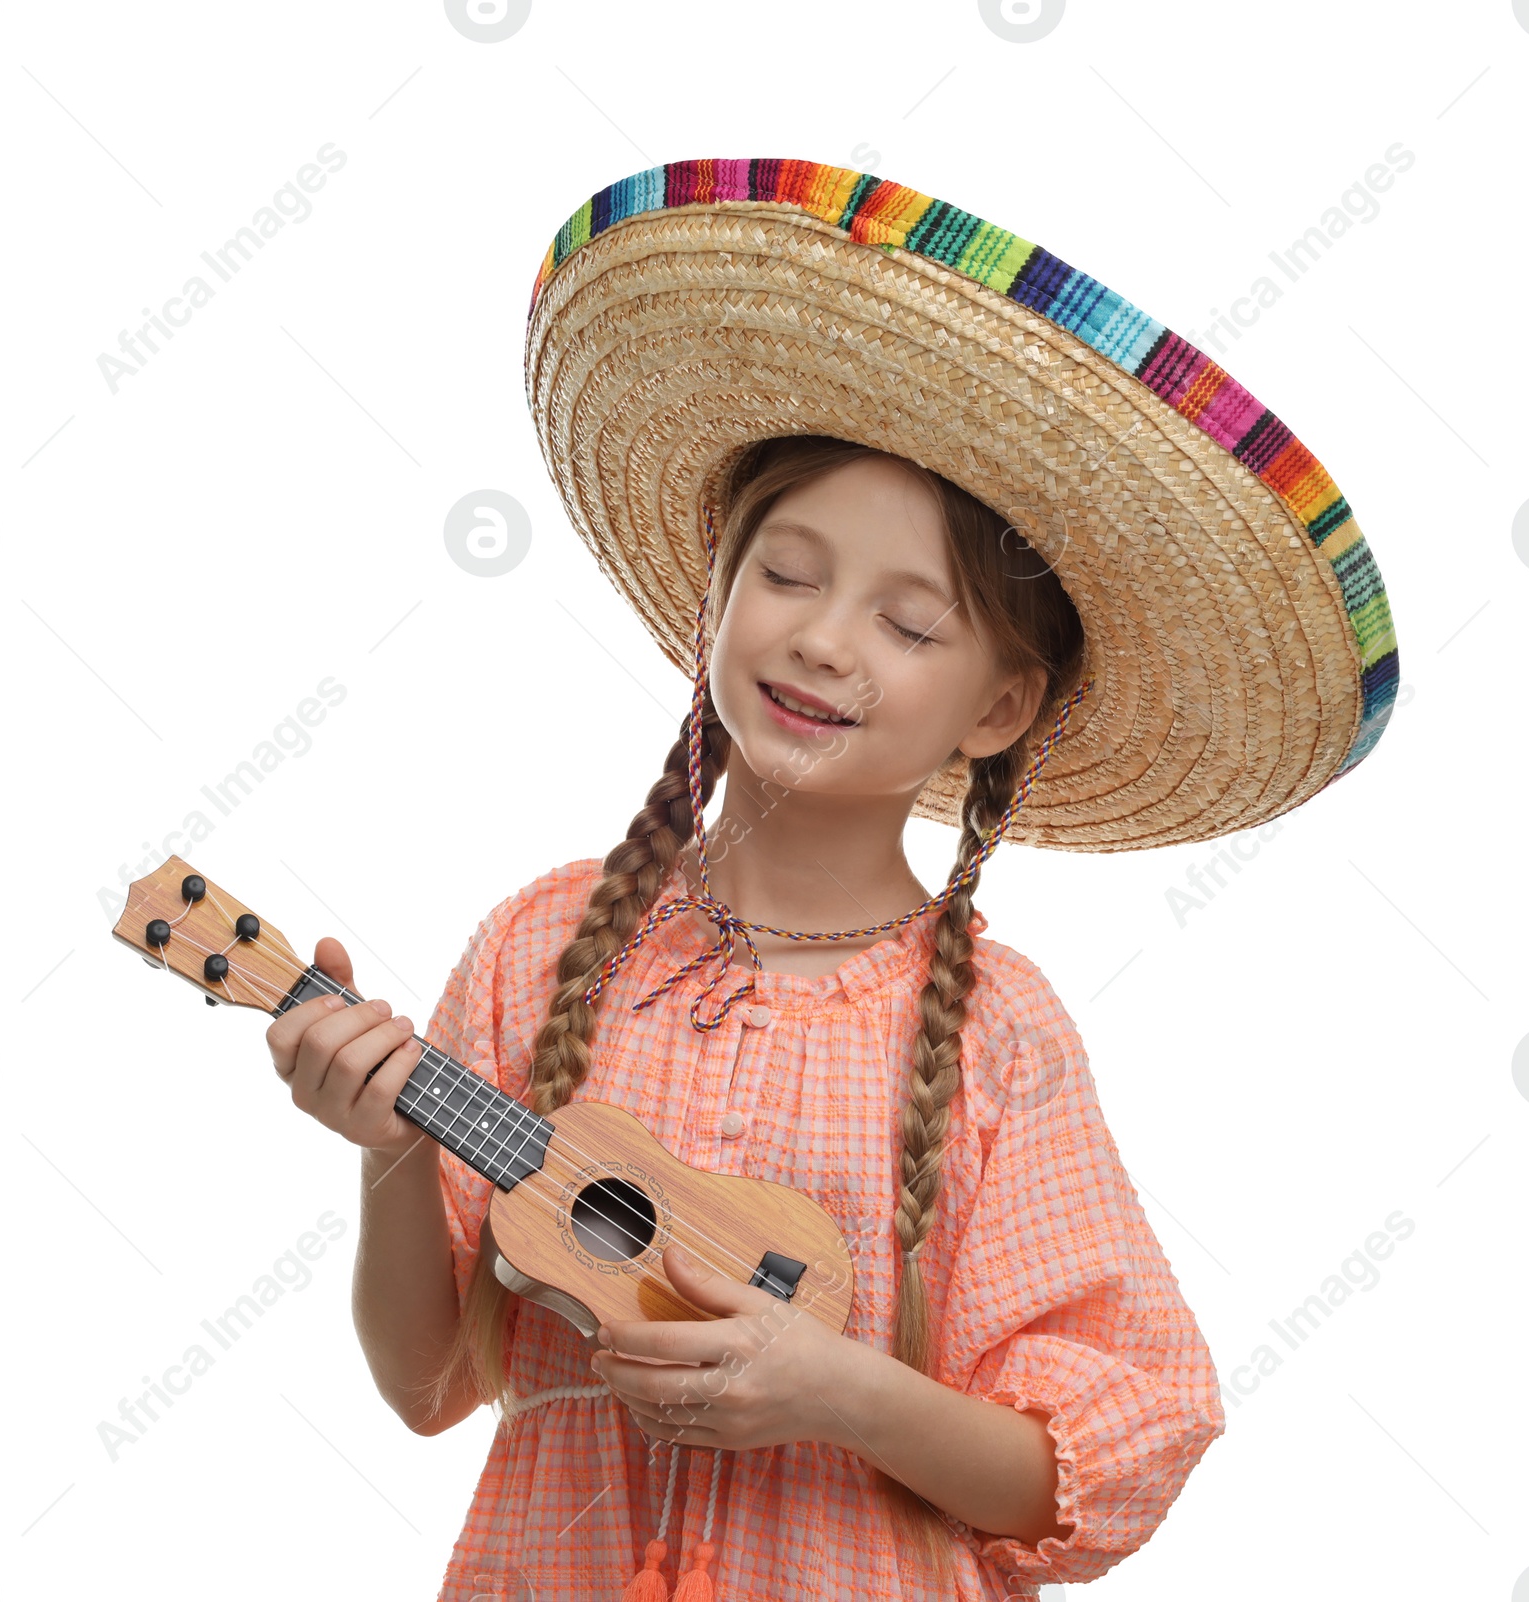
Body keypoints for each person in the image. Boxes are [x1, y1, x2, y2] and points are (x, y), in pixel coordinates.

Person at [265, 157, 1398, 1601]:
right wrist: (390, 1143)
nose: (822, 640)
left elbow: (1096, 1463)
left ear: (997, 710)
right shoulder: (542, 945)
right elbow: (424, 1379)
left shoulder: (995, 1024)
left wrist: (840, 1392)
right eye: (788, 575)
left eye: (910, 620)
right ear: (716, 597)